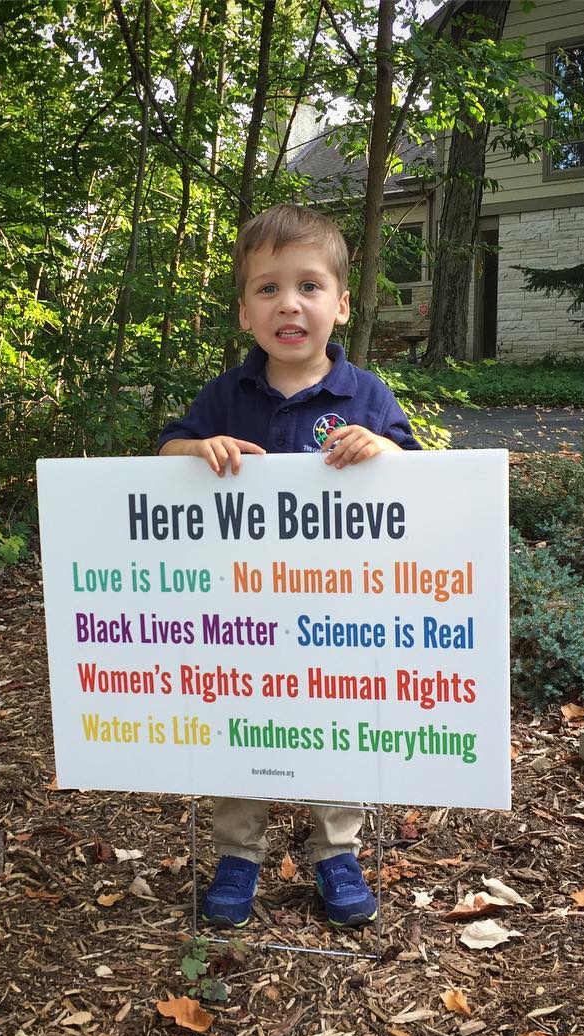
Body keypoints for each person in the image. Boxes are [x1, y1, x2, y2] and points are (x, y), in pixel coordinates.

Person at [158, 203, 420, 929]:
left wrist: (383, 450)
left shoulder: (366, 395)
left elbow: (418, 477)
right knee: (241, 724)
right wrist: (198, 450)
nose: (289, 303)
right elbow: (167, 449)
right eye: (268, 288)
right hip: (242, 612)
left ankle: (336, 851)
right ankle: (237, 854)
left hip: (340, 611)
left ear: (342, 304)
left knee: (336, 724)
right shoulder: (226, 395)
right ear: (246, 312)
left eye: (309, 286)